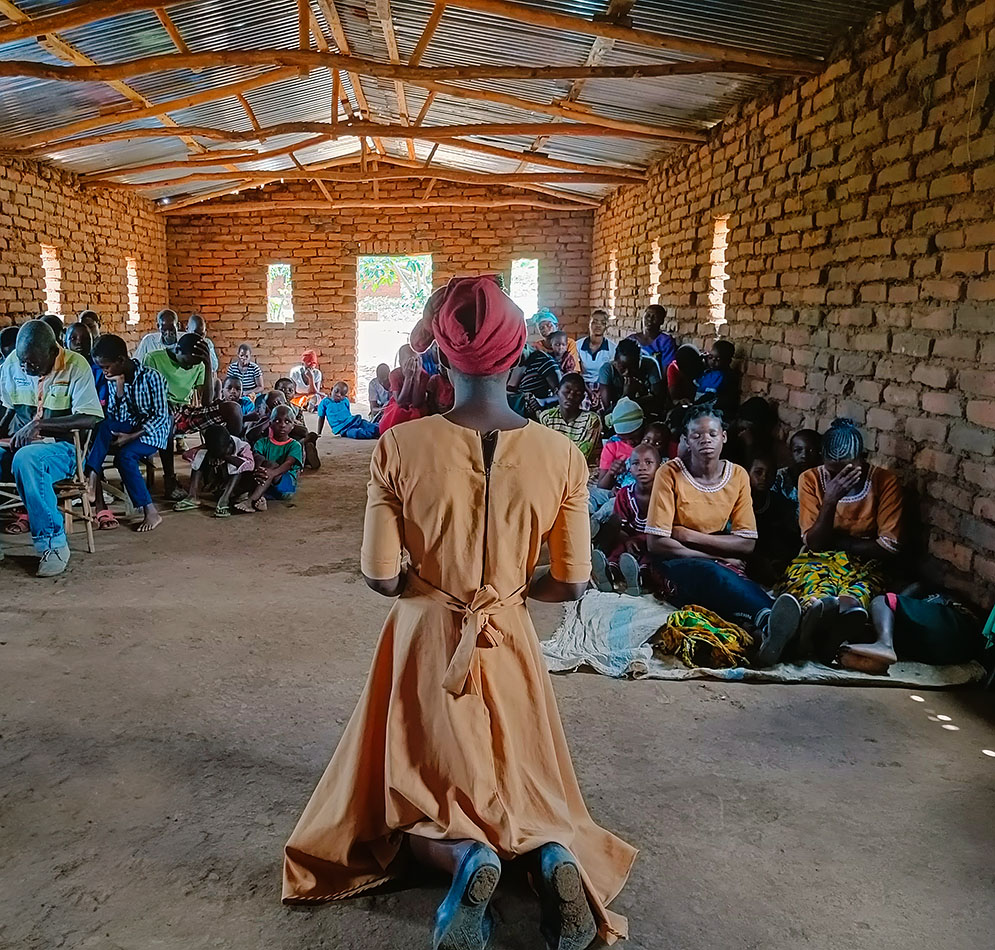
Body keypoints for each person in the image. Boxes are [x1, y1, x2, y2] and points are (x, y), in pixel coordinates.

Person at [283, 274, 635, 949]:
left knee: (418, 792)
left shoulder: (399, 445)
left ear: (440, 356)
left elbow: (380, 577)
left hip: (425, 637)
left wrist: (429, 580)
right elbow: (571, 581)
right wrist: (513, 592)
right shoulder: (562, 455)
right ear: (517, 355)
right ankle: (549, 855)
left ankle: (468, 858)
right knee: (519, 780)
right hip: (510, 634)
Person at [645, 406, 802, 665]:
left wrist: (689, 535)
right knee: (714, 574)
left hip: (709, 553)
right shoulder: (670, 473)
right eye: (696, 435)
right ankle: (770, 621)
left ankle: (774, 630)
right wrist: (714, 555)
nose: (705, 440)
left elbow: (747, 542)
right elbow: (657, 542)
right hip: (674, 561)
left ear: (724, 437)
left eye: (712, 434)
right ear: (686, 440)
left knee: (736, 581)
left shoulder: (737, 475)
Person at [778, 419, 903, 661]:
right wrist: (830, 500)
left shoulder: (885, 482)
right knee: (814, 589)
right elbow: (814, 543)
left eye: (848, 470)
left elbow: (888, 547)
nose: (839, 479)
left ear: (862, 459)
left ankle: (829, 631)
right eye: (832, 472)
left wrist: (836, 541)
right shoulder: (811, 479)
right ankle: (813, 625)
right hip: (817, 558)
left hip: (865, 564)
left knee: (855, 596)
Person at [0, 321, 103, 576]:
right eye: (23, 362)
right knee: (23, 456)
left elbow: (89, 418)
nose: (26, 368)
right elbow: (6, 409)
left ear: (53, 352)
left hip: (62, 449)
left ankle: (53, 544)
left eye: (33, 364)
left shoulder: (76, 365)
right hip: (19, 446)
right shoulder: (13, 363)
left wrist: (39, 425)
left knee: (28, 459)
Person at [87, 334, 171, 533]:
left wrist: (130, 437)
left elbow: (161, 416)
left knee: (124, 457)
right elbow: (116, 415)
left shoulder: (152, 377)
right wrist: (119, 387)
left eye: (106, 367)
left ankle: (151, 512)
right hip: (128, 426)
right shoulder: (114, 378)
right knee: (102, 424)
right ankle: (92, 475)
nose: (104, 371)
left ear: (121, 360)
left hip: (152, 432)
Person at [143, 332, 220, 500]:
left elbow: (207, 402)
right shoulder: (153, 359)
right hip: (158, 412)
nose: (189, 367)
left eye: (193, 365)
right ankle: (170, 480)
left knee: (231, 410)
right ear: (177, 349)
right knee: (168, 419)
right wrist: (163, 403)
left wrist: (208, 366)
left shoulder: (198, 364)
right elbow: (145, 394)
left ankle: (221, 472)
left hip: (184, 411)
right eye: (187, 363)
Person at [592, 442, 662, 596]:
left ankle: (642, 578)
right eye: (636, 463)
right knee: (618, 549)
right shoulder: (625, 494)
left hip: (653, 539)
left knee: (651, 555)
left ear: (659, 466)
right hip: (629, 537)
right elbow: (621, 525)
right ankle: (611, 573)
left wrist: (639, 540)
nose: (642, 467)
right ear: (630, 468)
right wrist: (628, 540)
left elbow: (664, 529)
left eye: (648, 462)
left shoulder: (665, 494)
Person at [175, 423, 254, 518]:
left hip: (237, 489)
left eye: (222, 452)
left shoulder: (242, 446)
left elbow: (250, 465)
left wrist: (225, 457)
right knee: (200, 454)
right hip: (218, 485)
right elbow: (186, 455)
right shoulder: (212, 446)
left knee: (237, 464)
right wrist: (205, 451)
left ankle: (224, 500)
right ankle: (193, 496)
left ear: (230, 444)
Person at [746, 451, 801, 587]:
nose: (764, 477)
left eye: (770, 473)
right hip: (747, 558)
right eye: (758, 472)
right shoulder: (737, 501)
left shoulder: (780, 503)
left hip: (773, 562)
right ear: (747, 473)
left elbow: (790, 539)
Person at [237, 404, 303, 512]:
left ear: (293, 426)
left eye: (287, 422)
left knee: (272, 465)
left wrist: (272, 473)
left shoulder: (295, 445)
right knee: (256, 464)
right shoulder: (261, 443)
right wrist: (261, 472)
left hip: (285, 487)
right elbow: (257, 459)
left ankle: (250, 501)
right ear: (270, 424)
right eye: (277, 421)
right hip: (265, 483)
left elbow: (288, 463)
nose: (282, 425)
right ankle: (260, 498)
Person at [538, 372, 602, 464]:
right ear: (557, 392)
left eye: (577, 394)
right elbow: (543, 450)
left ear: (583, 397)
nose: (571, 397)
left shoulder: (591, 420)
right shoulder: (547, 417)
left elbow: (581, 456)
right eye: (566, 392)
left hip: (581, 468)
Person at [598, 337, 663, 414]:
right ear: (615, 363)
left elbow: (658, 401)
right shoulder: (607, 370)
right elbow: (608, 411)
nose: (627, 372)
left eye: (634, 367)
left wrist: (639, 391)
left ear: (640, 361)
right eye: (622, 368)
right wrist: (626, 396)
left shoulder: (650, 364)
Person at [771, 428, 822, 514]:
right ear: (790, 452)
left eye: (811, 450)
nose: (804, 455)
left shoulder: (824, 479)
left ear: (819, 452)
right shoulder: (779, 478)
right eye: (798, 450)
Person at [64, 322, 108, 409]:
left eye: (85, 339)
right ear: (65, 343)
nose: (79, 342)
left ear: (92, 342)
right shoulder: (60, 369)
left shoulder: (100, 370)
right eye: (73, 338)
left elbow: (102, 402)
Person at [577, 309, 616, 407]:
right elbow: (577, 373)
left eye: (602, 323)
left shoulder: (612, 348)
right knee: (583, 404)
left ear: (606, 326)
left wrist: (599, 393)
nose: (598, 326)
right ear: (589, 324)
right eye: (594, 322)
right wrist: (589, 391)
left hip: (604, 385)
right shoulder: (578, 346)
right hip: (583, 385)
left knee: (605, 407)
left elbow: (611, 376)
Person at [627, 304, 675, 371]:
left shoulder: (665, 342)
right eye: (648, 315)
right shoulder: (631, 339)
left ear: (661, 321)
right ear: (643, 317)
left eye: (655, 317)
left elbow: (667, 370)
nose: (650, 319)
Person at [696, 339, 740, 413]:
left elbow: (711, 396)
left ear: (728, 361)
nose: (713, 361)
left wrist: (695, 404)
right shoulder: (708, 372)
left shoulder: (725, 377)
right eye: (710, 357)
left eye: (718, 359)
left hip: (714, 411)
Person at [532, 308, 580, 374]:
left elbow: (573, 370)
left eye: (549, 325)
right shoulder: (537, 346)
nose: (545, 329)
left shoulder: (568, 343)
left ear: (557, 326)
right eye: (541, 328)